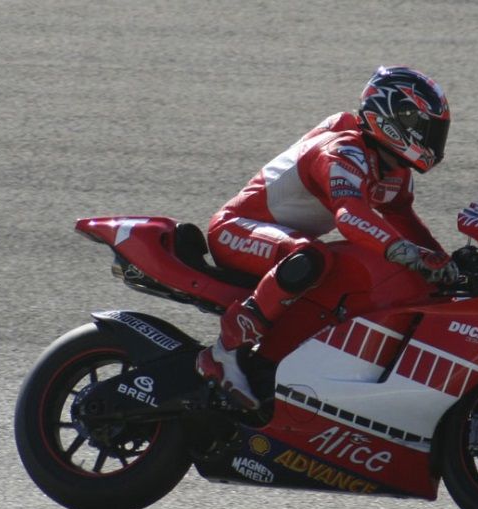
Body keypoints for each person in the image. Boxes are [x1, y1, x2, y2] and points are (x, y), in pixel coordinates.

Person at [196, 65, 457, 409]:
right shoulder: (342, 151)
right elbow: (349, 216)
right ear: (394, 120)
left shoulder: (394, 169)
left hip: (282, 244)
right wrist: (403, 251)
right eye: (424, 128)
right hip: (235, 229)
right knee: (313, 257)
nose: (432, 139)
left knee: (339, 274)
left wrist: (448, 267)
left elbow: (405, 221)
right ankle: (225, 350)